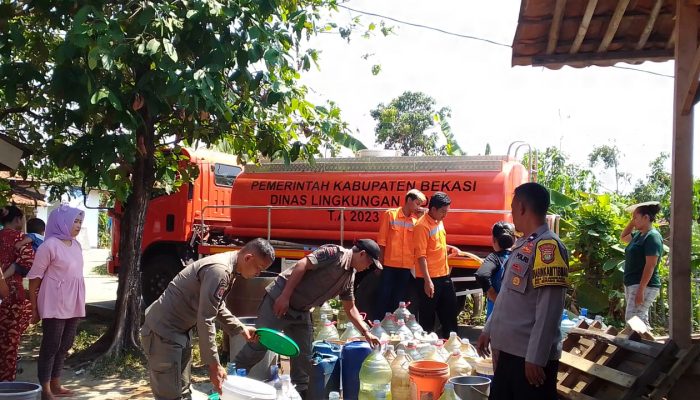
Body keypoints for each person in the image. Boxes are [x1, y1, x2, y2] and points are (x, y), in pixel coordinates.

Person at [235, 239, 383, 397]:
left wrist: (366, 332)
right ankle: (230, 379)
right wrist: (285, 296)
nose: (368, 267)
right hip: (279, 300)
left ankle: (299, 394)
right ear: (362, 254)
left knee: (304, 357)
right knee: (259, 344)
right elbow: (302, 265)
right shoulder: (334, 253)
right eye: (369, 262)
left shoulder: (349, 277)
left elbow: (350, 308)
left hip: (301, 312)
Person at [141, 238, 275, 399]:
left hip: (179, 333)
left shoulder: (230, 267)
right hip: (162, 332)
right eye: (258, 268)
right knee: (169, 395)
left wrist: (241, 328)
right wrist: (214, 366)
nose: (258, 274)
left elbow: (215, 306)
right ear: (248, 258)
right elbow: (206, 318)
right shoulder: (219, 271)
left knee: (183, 391)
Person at [476, 182, 569, 400]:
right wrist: (489, 329)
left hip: (528, 359)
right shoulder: (525, 244)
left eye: (512, 207)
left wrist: (536, 356)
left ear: (522, 207)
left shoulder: (549, 247)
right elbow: (508, 294)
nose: (511, 213)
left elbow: (550, 307)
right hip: (510, 353)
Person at [27, 205, 85, 400]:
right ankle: (45, 389)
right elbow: (34, 280)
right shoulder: (48, 245)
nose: (77, 225)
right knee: (51, 344)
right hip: (54, 302)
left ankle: (56, 383)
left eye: (79, 222)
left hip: (73, 301)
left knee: (66, 343)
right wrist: (34, 310)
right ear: (62, 222)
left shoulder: (76, 245)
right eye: (74, 221)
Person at [412, 191, 460, 338]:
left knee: (449, 313)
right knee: (427, 317)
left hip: (443, 275)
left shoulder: (439, 221)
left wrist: (449, 249)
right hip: (429, 278)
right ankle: (427, 349)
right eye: (443, 211)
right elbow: (421, 256)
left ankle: (451, 346)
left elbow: (435, 245)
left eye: (447, 211)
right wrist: (427, 281)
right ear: (433, 209)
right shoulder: (422, 226)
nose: (445, 215)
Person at [375, 189, 427, 319]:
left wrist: (422, 217)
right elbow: (382, 241)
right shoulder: (391, 215)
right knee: (383, 296)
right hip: (389, 265)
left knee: (398, 300)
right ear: (409, 200)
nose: (418, 207)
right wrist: (379, 263)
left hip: (405, 267)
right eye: (417, 203)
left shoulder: (416, 222)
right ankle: (379, 323)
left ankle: (393, 325)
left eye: (420, 204)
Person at [0, 205, 35, 382]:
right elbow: (28, 264)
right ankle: (6, 383)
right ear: (17, 220)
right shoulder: (21, 239)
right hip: (12, 295)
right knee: (10, 342)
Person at [620, 202, 663, 328]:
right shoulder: (639, 235)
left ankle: (638, 346)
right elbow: (623, 237)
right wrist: (633, 221)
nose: (633, 220)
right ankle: (651, 345)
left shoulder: (652, 237)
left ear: (646, 218)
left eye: (635, 217)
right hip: (632, 283)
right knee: (640, 320)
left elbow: (651, 265)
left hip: (644, 285)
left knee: (632, 320)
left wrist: (641, 290)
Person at [475, 222, 516, 320]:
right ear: (514, 240)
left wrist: (492, 294)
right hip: (517, 313)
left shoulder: (494, 258)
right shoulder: (519, 257)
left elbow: (481, 275)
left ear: (494, 239)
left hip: (497, 316)